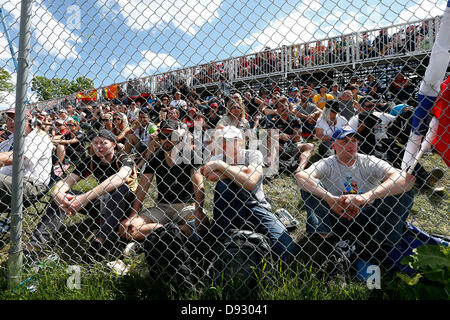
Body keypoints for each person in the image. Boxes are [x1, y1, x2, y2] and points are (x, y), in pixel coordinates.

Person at [294, 126, 415, 266]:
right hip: (336, 215)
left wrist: (366, 197)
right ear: (333, 145)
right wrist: (330, 199)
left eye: (354, 140)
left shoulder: (368, 161)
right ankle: (327, 239)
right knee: (309, 185)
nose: (351, 144)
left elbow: (406, 179)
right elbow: (301, 177)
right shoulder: (327, 163)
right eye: (345, 141)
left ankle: (384, 244)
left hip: (370, 216)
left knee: (402, 190)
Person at [26, 130, 138, 261]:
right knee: (64, 194)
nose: (99, 146)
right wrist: (58, 194)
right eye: (95, 143)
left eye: (103, 143)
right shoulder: (91, 160)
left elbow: (120, 178)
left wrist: (85, 198)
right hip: (103, 202)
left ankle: (100, 243)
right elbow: (66, 181)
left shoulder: (124, 158)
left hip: (126, 205)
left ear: (113, 145)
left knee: (121, 188)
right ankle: (34, 246)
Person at [200, 126, 296, 261]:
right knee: (225, 184)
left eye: (231, 140)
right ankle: (221, 239)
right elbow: (209, 175)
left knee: (286, 252)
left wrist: (221, 166)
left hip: (254, 205)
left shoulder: (252, 154)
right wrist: (242, 170)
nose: (226, 144)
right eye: (223, 140)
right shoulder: (218, 156)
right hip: (226, 208)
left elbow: (250, 183)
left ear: (241, 141)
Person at [119, 119, 209, 245]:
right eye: (162, 136)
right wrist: (133, 214)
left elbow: (199, 186)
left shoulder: (189, 155)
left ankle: (156, 235)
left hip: (186, 205)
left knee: (200, 225)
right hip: (162, 207)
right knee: (126, 229)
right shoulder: (156, 157)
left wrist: (198, 211)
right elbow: (143, 187)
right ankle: (172, 231)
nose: (166, 139)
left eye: (170, 135)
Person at [0, 108, 53, 214]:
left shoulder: (39, 137)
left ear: (29, 120)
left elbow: (16, 157)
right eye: (8, 119)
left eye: (15, 118)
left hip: (31, 184)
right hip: (7, 182)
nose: (11, 122)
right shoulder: (6, 142)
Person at [266, 96, 314, 172]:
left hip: (294, 146)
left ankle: (300, 169)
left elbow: (297, 138)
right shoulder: (273, 120)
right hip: (280, 147)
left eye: (286, 105)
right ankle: (272, 170)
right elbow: (270, 134)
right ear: (277, 110)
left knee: (310, 146)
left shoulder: (295, 120)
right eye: (281, 106)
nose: (284, 107)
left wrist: (285, 136)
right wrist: (280, 136)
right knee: (271, 140)